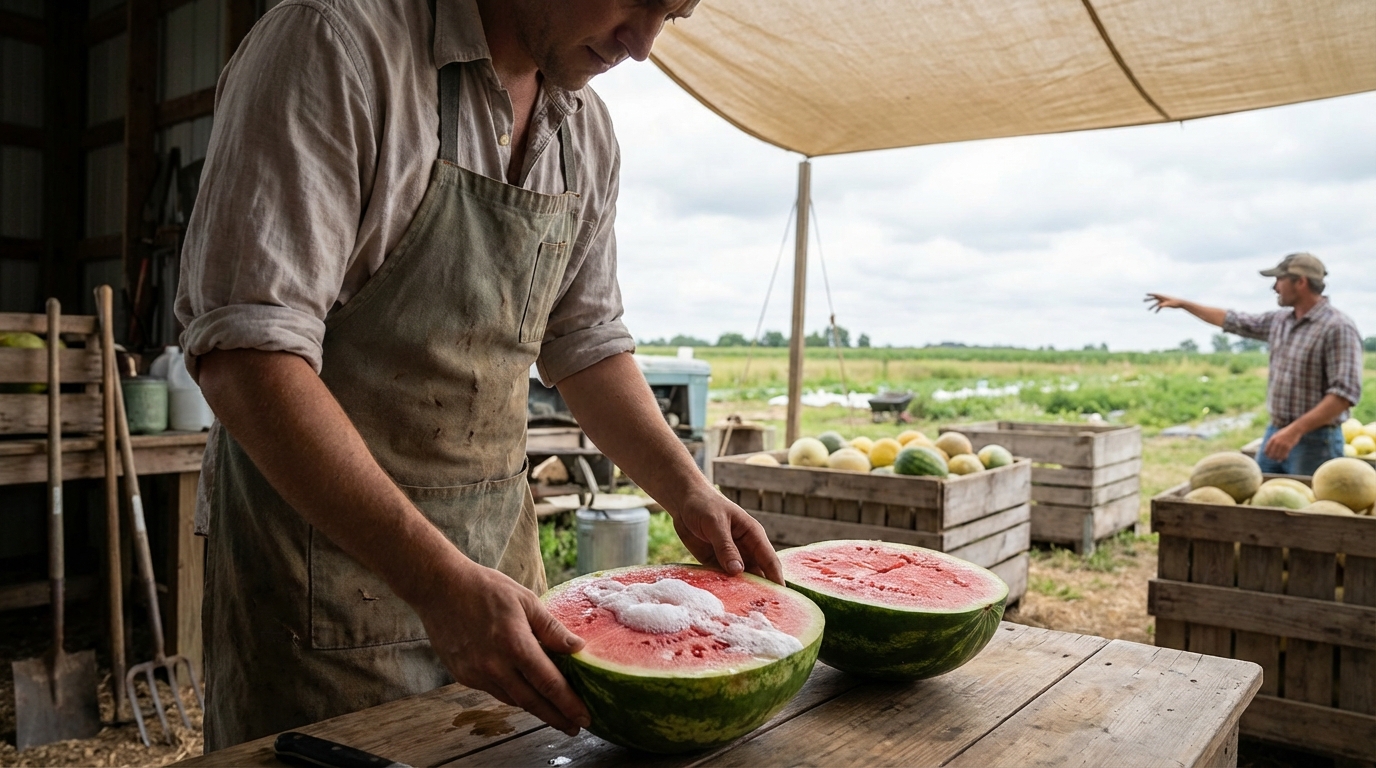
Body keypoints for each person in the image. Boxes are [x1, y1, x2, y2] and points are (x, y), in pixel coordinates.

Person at [173, 0, 781, 751]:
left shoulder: (585, 130)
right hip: (324, 592)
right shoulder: (335, 46)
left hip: (502, 577)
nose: (643, 45)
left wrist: (688, 489)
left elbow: (585, 340)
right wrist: (436, 582)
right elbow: (248, 358)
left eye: (674, 15)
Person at [1146, 253, 1363, 475]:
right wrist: (1184, 305)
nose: (1275, 287)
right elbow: (1233, 320)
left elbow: (1344, 394)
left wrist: (1294, 431)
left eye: (1280, 280)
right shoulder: (1281, 321)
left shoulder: (1337, 327)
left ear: (1301, 282)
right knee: (1259, 494)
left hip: (1316, 441)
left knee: (1308, 497)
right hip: (1277, 432)